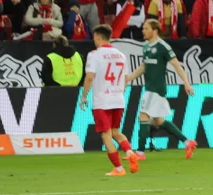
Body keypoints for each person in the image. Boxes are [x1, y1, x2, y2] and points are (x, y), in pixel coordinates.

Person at [124, 19, 197, 159]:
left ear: (155, 30)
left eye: (146, 28)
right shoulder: (146, 47)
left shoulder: (163, 46)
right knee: (158, 120)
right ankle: (188, 142)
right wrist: (129, 78)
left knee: (143, 115)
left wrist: (186, 83)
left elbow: (176, 65)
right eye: (143, 28)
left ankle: (139, 153)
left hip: (156, 89)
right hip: (151, 88)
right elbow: (144, 67)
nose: (143, 31)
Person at [79, 25, 140, 177]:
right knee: (115, 132)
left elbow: (90, 77)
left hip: (102, 100)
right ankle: (130, 152)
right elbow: (125, 79)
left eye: (94, 37)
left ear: (98, 37)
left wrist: (84, 95)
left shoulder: (94, 54)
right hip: (118, 99)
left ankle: (119, 169)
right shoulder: (120, 55)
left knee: (106, 135)